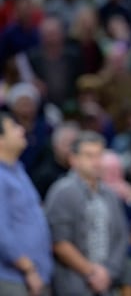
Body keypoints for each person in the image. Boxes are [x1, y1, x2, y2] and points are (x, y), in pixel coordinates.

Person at [44, 130, 129, 296]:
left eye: (99, 155)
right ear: (73, 159)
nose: (96, 162)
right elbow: (58, 241)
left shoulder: (110, 194)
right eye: (89, 156)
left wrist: (108, 272)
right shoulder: (63, 191)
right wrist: (92, 272)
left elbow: (121, 236)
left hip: (108, 283)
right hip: (73, 283)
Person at [0, 111, 52, 296]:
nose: (21, 130)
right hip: (13, 278)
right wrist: (27, 268)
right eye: (13, 127)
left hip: (36, 274)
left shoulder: (18, 169)